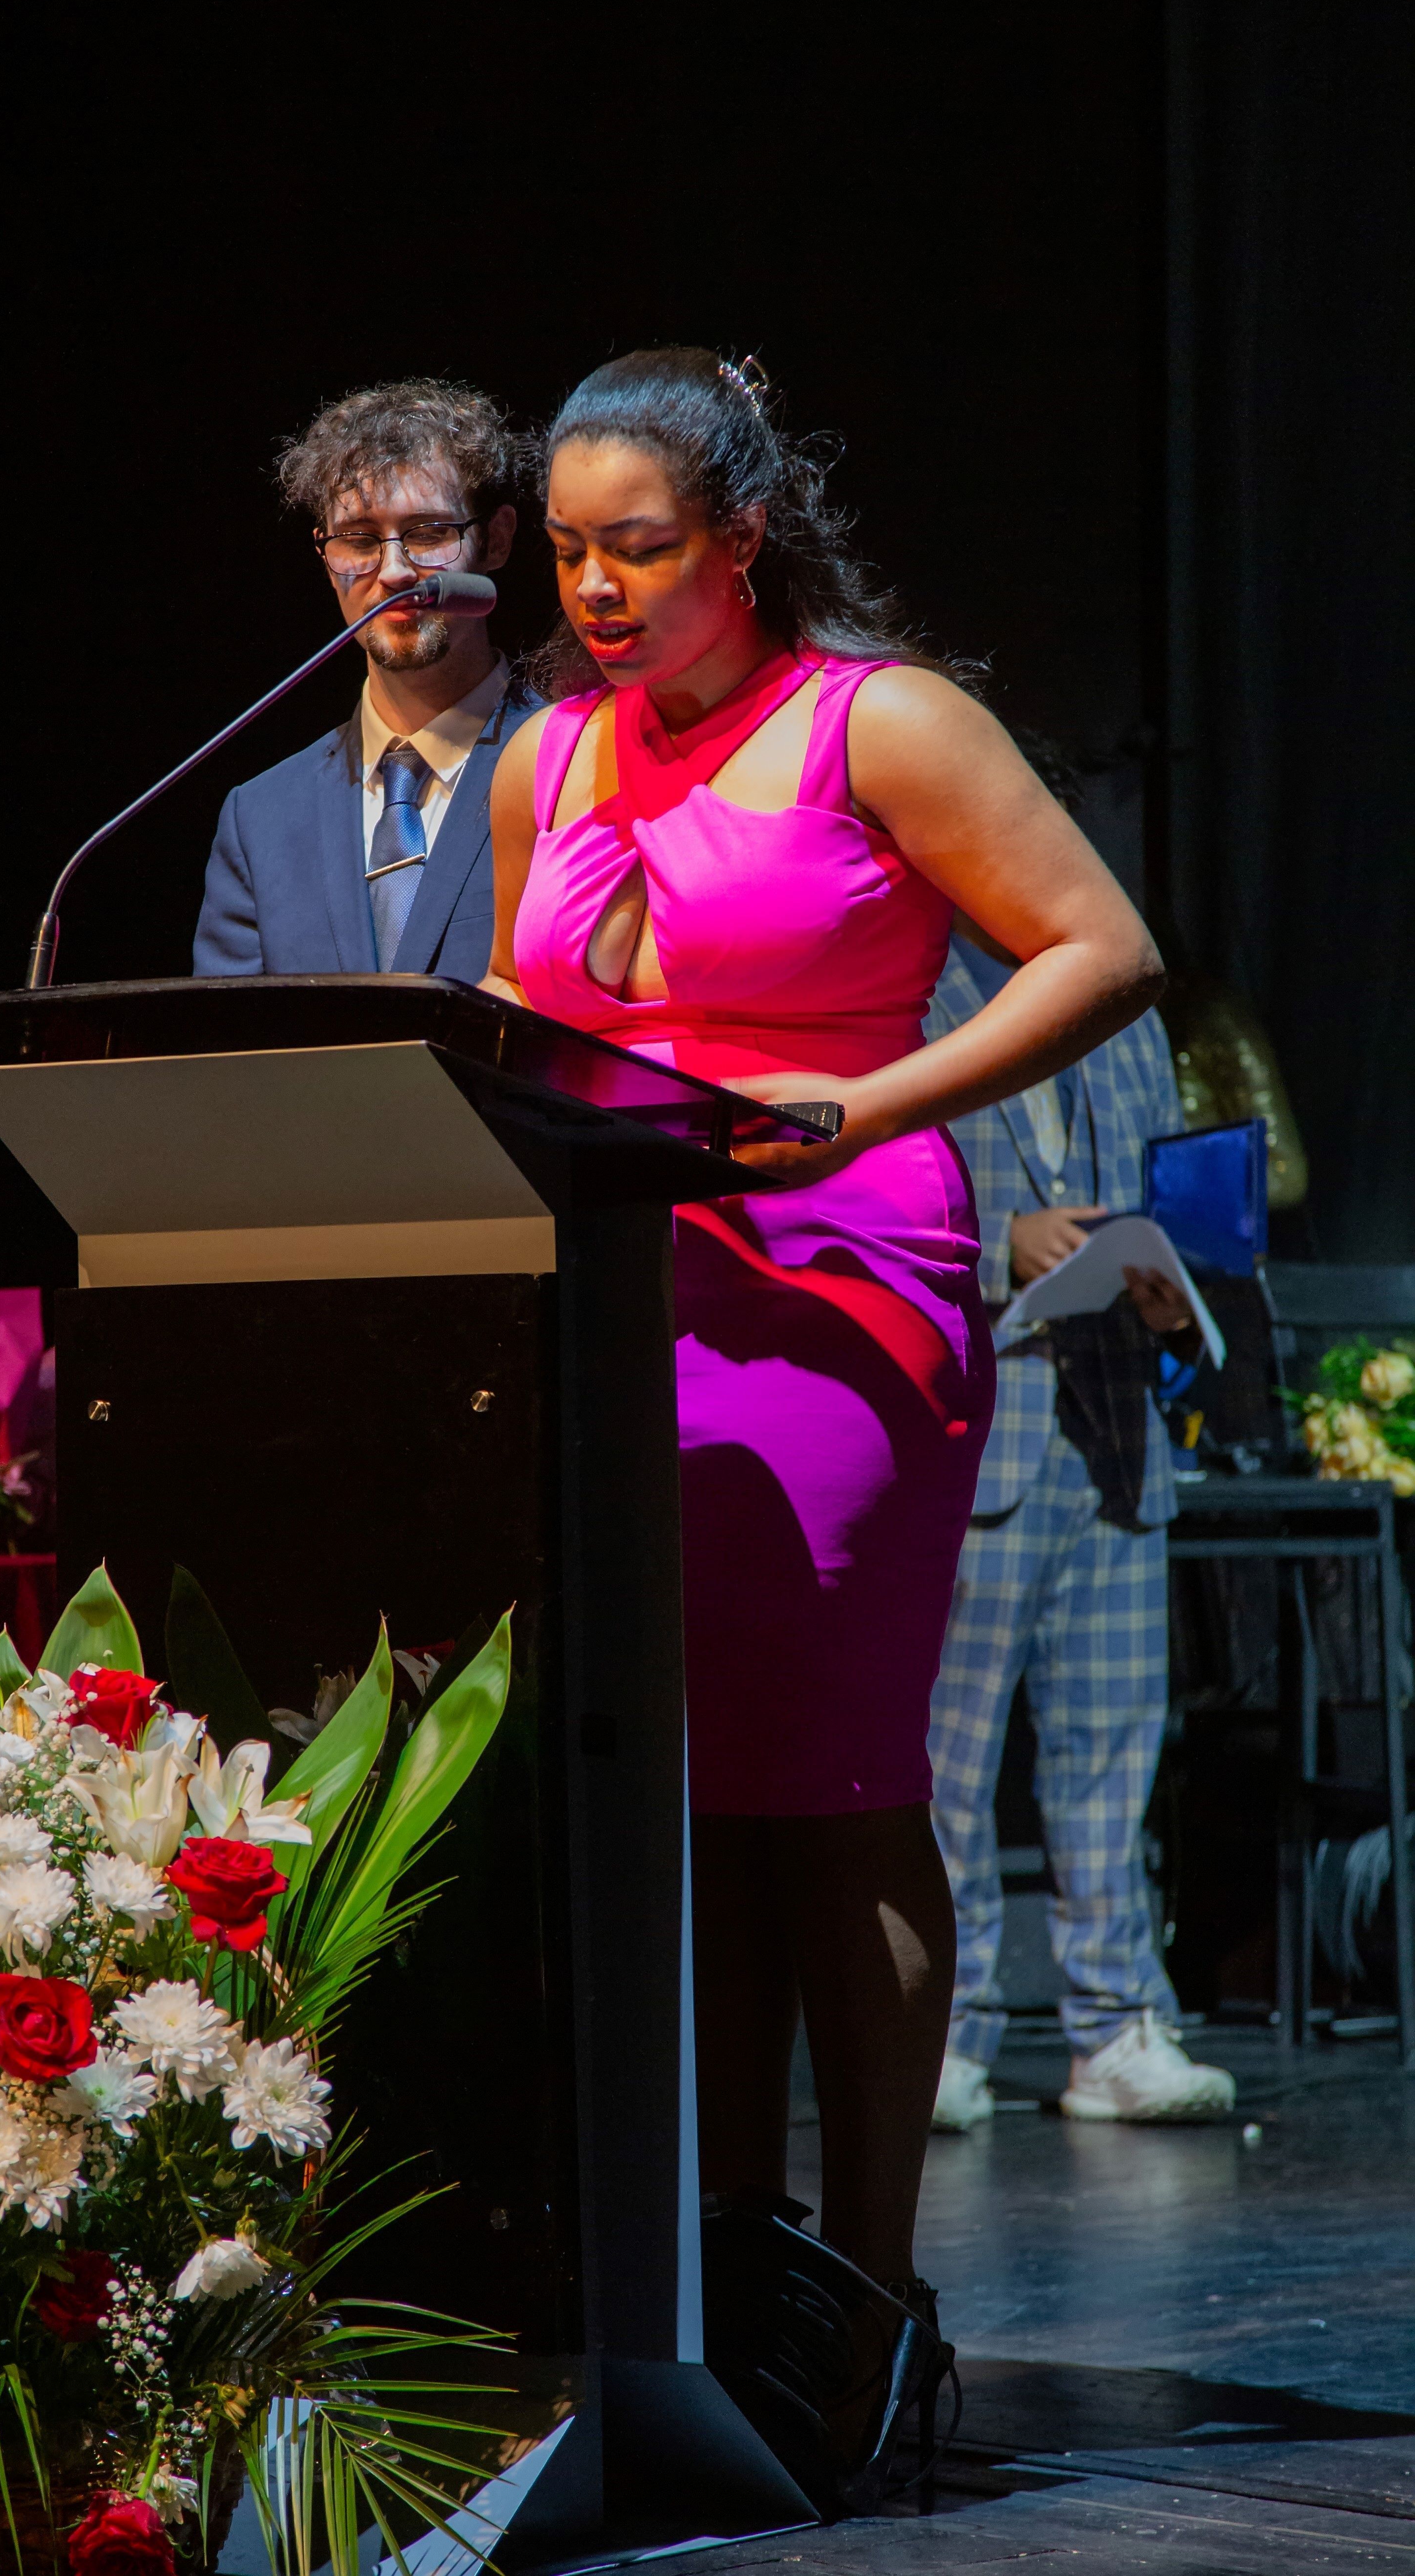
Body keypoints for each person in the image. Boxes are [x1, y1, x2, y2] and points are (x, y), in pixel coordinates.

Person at [482, 347, 1163, 2510]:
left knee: (826, 1777)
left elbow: (1103, 949)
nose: (596, 589)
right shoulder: (545, 756)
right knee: (668, 1794)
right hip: (622, 1286)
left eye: (639, 548)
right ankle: (704, 2284)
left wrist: (863, 1103)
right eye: (567, 552)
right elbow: (520, 1023)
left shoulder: (881, 721)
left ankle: (864, 2307)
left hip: (842, 1272)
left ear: (744, 536)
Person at [924, 806, 1236, 2129]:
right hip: (979, 1432)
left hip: (1112, 1435)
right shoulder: (917, 991)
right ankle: (946, 2030)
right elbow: (864, 1187)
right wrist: (1006, 1236)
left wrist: (1168, 1287)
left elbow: (1164, 1202)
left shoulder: (1122, 1009)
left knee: (1112, 1754)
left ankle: (1116, 2027)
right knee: (946, 1764)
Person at [193, 380, 535, 979]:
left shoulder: (574, 765)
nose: (395, 572)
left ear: (497, 539)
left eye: (428, 533)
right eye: (358, 539)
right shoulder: (261, 818)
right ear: (325, 558)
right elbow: (231, 1036)